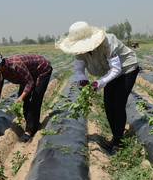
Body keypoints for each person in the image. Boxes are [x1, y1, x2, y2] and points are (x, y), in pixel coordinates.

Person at [56, 21, 140, 155]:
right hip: (109, 73)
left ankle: (119, 142)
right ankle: (116, 136)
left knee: (118, 103)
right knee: (108, 105)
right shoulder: (79, 51)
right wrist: (82, 80)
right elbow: (78, 69)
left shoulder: (108, 42)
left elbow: (116, 68)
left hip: (127, 69)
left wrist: (99, 83)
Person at [0, 52, 52, 142]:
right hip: (28, 74)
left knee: (35, 100)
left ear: (0, 66)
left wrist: (21, 98)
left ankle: (29, 131)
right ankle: (33, 124)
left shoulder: (16, 65)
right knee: (24, 101)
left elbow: (30, 83)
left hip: (41, 70)